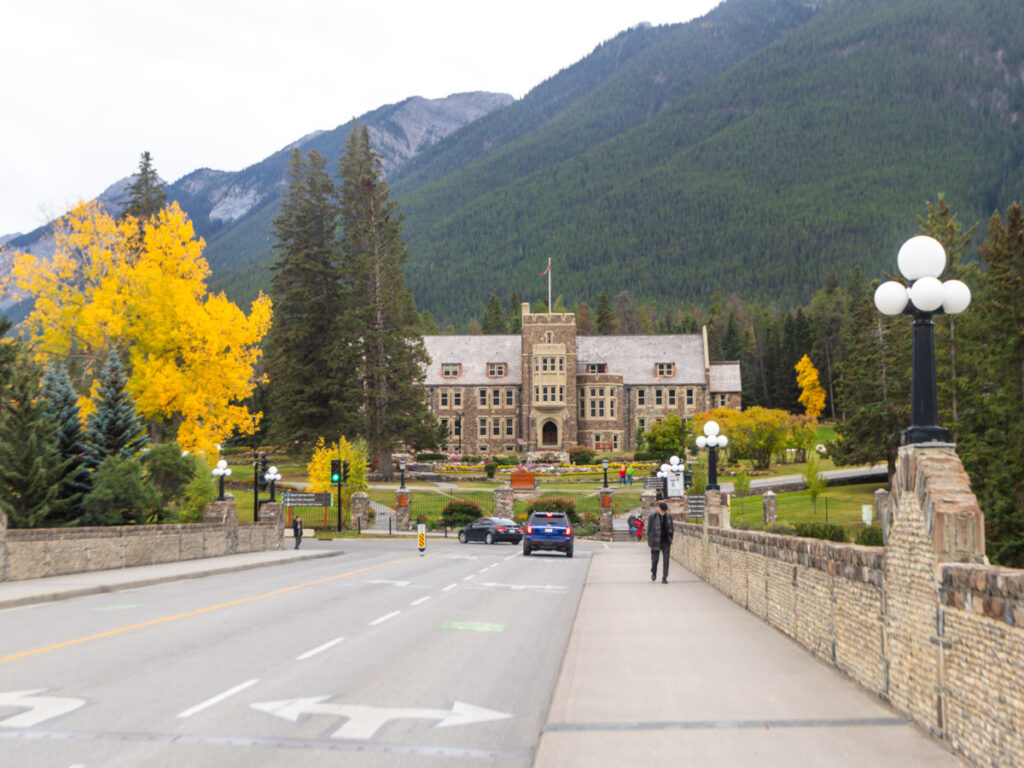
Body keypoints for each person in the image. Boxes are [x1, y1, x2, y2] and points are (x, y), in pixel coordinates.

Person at [647, 502, 674, 582]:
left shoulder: (669, 516)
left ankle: (664, 577)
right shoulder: (652, 517)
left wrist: (670, 538)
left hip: (666, 541)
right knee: (655, 560)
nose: (663, 512)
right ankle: (654, 572)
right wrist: (650, 541)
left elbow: (671, 528)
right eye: (662, 510)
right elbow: (649, 530)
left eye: (664, 511)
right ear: (658, 509)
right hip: (655, 541)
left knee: (666, 560)